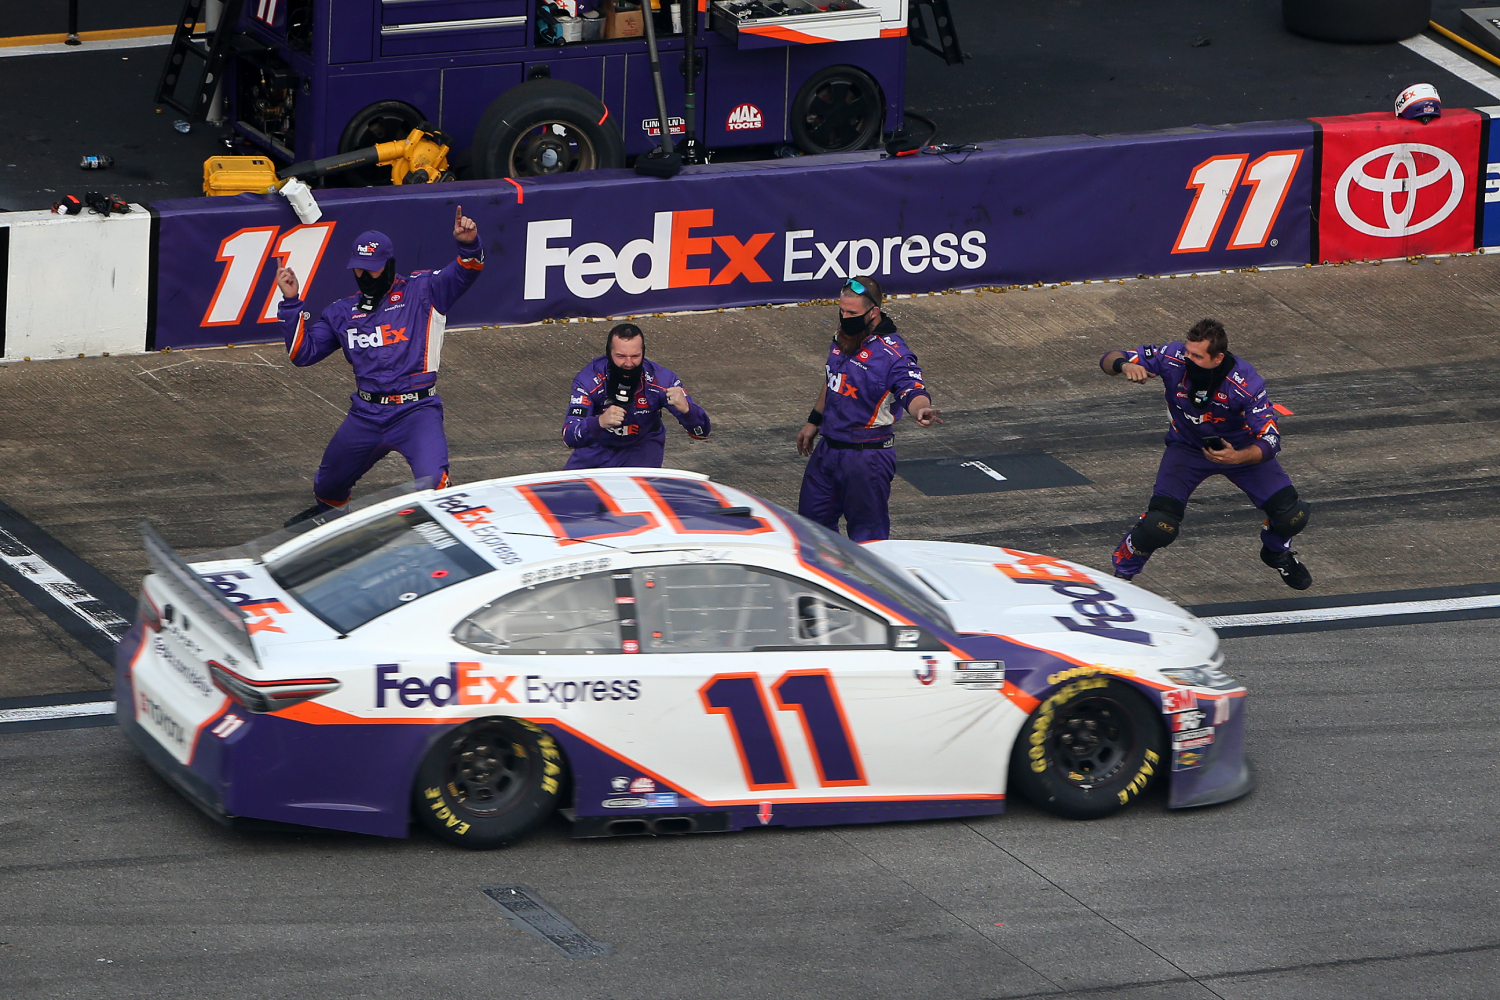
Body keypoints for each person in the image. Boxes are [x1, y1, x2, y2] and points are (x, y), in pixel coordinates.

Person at [274, 206, 484, 525]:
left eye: (371, 269)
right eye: (359, 269)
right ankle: (333, 529)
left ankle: (450, 537)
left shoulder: (424, 290)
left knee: (435, 488)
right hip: (366, 414)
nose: (364, 275)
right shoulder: (341, 312)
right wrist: (291, 301)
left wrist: (468, 244)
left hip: (416, 411)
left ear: (388, 264)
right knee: (327, 487)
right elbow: (302, 353)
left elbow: (467, 270)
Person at [1100, 318, 1312, 589]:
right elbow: (1108, 359)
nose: (1188, 359)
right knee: (1158, 525)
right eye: (1188, 351)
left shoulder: (1247, 382)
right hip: (1187, 449)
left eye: (1197, 356)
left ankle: (1276, 552)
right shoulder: (1172, 356)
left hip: (1239, 451)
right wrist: (1125, 365)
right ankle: (1121, 578)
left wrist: (1239, 457)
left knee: (1292, 515)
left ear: (1217, 358)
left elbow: (1271, 440)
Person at [796, 277, 941, 542]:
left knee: (868, 541)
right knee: (809, 531)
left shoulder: (893, 354)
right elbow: (833, 381)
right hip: (828, 450)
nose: (844, 317)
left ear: (873, 311)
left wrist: (922, 409)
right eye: (842, 310)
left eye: (852, 313)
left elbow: (911, 388)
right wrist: (813, 421)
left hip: (867, 459)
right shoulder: (843, 336)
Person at [562, 323, 710, 469]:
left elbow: (702, 433)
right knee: (566, 491)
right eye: (620, 356)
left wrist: (688, 410)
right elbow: (569, 437)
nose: (628, 363)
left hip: (641, 448)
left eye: (635, 356)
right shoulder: (588, 381)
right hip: (597, 447)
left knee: (635, 493)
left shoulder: (663, 380)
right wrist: (599, 422)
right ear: (609, 353)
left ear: (643, 352)